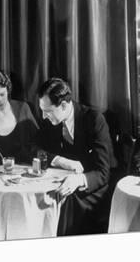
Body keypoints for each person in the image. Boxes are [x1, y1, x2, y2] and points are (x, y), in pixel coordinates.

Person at [36, 77, 113, 235]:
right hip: (64, 184)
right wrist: (60, 161)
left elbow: (103, 172)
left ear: (63, 105)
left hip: (92, 189)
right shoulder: (50, 120)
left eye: (47, 111)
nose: (43, 116)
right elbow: (34, 149)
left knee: (63, 202)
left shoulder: (94, 119)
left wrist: (79, 180)